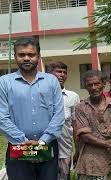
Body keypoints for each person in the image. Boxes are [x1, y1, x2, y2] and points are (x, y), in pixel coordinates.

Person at [0, 37, 65, 180]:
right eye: (21, 55)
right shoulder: (4, 83)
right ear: (15, 56)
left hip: (47, 146)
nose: (26, 58)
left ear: (38, 56)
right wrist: (26, 145)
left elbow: (59, 114)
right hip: (17, 146)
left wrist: (41, 144)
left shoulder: (51, 81)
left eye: (31, 54)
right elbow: (1, 117)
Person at [72, 70, 111, 180]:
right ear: (86, 87)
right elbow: (85, 137)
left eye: (97, 83)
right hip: (89, 164)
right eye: (90, 85)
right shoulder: (81, 107)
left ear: (104, 84)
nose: (93, 87)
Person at [46, 61, 80, 180]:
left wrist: (78, 150)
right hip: (42, 149)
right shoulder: (39, 94)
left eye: (64, 72)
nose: (62, 75)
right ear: (49, 74)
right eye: (58, 72)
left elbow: (75, 125)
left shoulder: (73, 97)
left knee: (64, 177)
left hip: (65, 150)